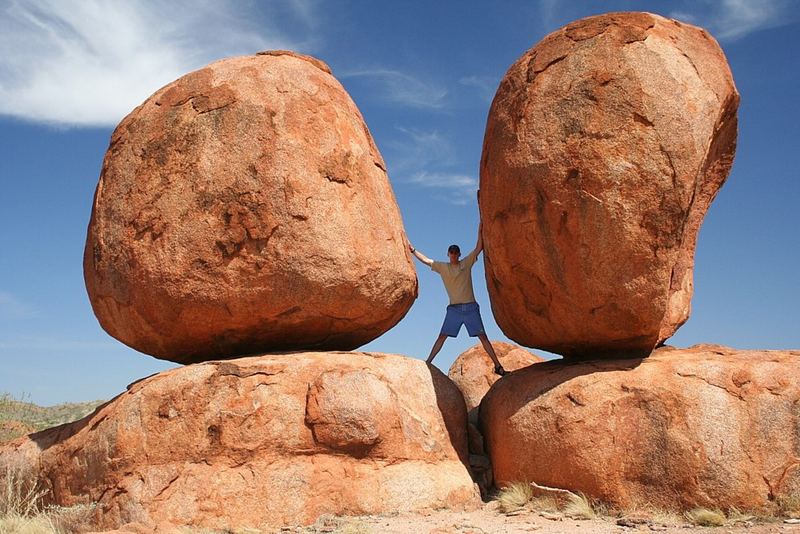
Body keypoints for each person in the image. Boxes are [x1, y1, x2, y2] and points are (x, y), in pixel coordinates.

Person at [408, 223, 507, 376]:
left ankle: (498, 366)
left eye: (455, 252)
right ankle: (428, 363)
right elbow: (426, 260)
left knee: (483, 337)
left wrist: (480, 229)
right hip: (454, 310)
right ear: (448, 254)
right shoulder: (443, 267)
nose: (453, 254)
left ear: (459, 254)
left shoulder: (466, 263)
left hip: (470, 308)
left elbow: (478, 248)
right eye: (451, 252)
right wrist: (413, 250)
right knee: (442, 336)